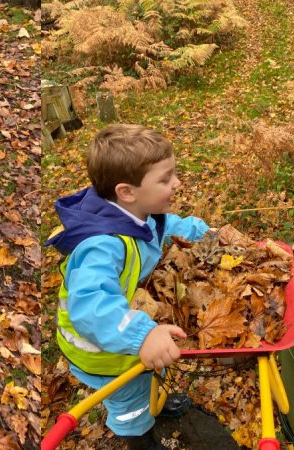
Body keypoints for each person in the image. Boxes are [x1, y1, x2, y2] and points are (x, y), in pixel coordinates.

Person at [46, 124, 210, 449]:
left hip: (124, 333)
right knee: (129, 404)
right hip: (104, 352)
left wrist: (208, 234)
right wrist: (141, 335)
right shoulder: (102, 247)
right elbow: (92, 307)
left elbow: (166, 227)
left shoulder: (138, 213)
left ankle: (155, 405)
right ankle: (138, 437)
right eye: (165, 179)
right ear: (127, 191)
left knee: (150, 374)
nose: (176, 184)